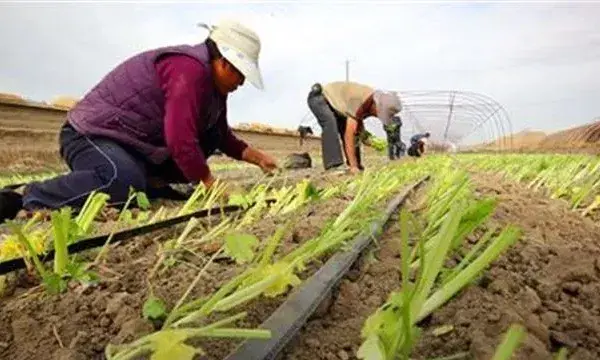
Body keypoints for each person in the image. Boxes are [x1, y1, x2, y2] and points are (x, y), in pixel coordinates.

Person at [0, 19, 278, 223]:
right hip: (92, 136)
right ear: (225, 63)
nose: (242, 82)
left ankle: (148, 180)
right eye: (241, 74)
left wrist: (256, 157)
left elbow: (220, 134)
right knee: (120, 183)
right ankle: (27, 196)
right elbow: (179, 137)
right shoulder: (189, 70)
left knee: (204, 141)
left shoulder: (215, 90)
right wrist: (209, 181)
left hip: (133, 147)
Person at [307, 81, 401, 173]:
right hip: (320, 98)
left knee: (354, 132)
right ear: (377, 105)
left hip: (337, 108)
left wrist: (365, 136)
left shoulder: (370, 102)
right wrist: (353, 166)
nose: (378, 116)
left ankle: (356, 165)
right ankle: (333, 165)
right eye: (380, 113)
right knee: (330, 123)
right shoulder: (359, 101)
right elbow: (349, 135)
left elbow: (358, 126)